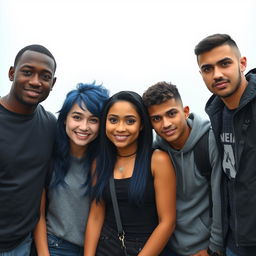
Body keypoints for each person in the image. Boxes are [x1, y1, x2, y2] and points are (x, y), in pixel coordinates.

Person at [84, 91, 176, 256]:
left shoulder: (157, 160)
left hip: (145, 249)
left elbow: (167, 222)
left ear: (141, 125)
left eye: (130, 121)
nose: (120, 128)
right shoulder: (99, 163)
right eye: (113, 120)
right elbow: (96, 216)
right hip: (105, 247)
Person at [142, 81, 223, 256]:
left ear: (185, 112)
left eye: (171, 114)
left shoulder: (209, 142)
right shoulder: (158, 150)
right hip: (169, 247)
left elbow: (221, 200)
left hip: (204, 248)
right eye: (156, 118)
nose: (165, 124)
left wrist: (214, 250)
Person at [194, 33, 256, 256]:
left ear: (242, 63)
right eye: (208, 68)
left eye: (225, 63)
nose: (217, 74)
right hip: (234, 243)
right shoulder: (217, 113)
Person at [33, 82, 109, 256]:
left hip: (98, 248)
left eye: (93, 120)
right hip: (55, 246)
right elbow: (38, 215)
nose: (83, 127)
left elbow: (98, 215)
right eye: (77, 117)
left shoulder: (103, 162)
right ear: (65, 118)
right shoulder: (49, 155)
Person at [0, 44, 57, 255]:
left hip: (22, 244)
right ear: (12, 73)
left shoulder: (50, 125)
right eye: (27, 72)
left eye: (45, 76)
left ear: (53, 83)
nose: (35, 81)